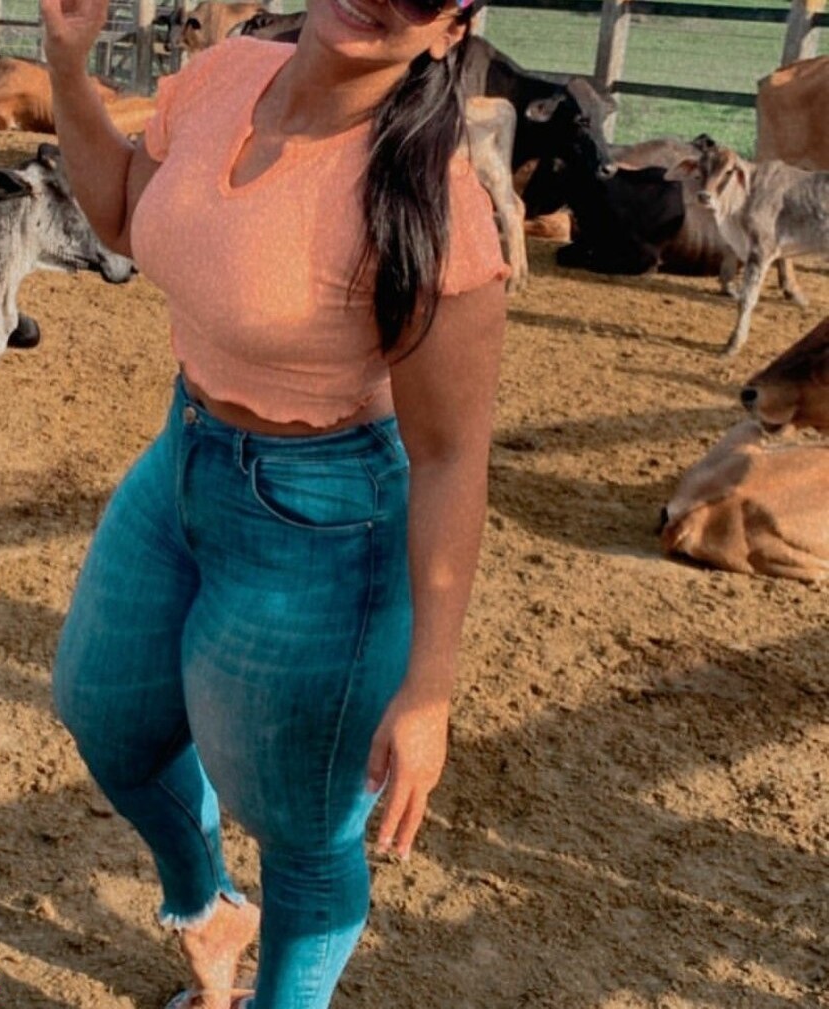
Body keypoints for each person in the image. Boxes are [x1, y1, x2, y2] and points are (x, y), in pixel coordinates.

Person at [40, 0, 508, 1004]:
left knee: (302, 829)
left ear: (450, 27)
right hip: (185, 454)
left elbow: (449, 454)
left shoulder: (434, 202)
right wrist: (67, 68)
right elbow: (119, 212)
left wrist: (429, 688)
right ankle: (208, 907)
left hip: (325, 519)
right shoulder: (226, 75)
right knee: (106, 716)